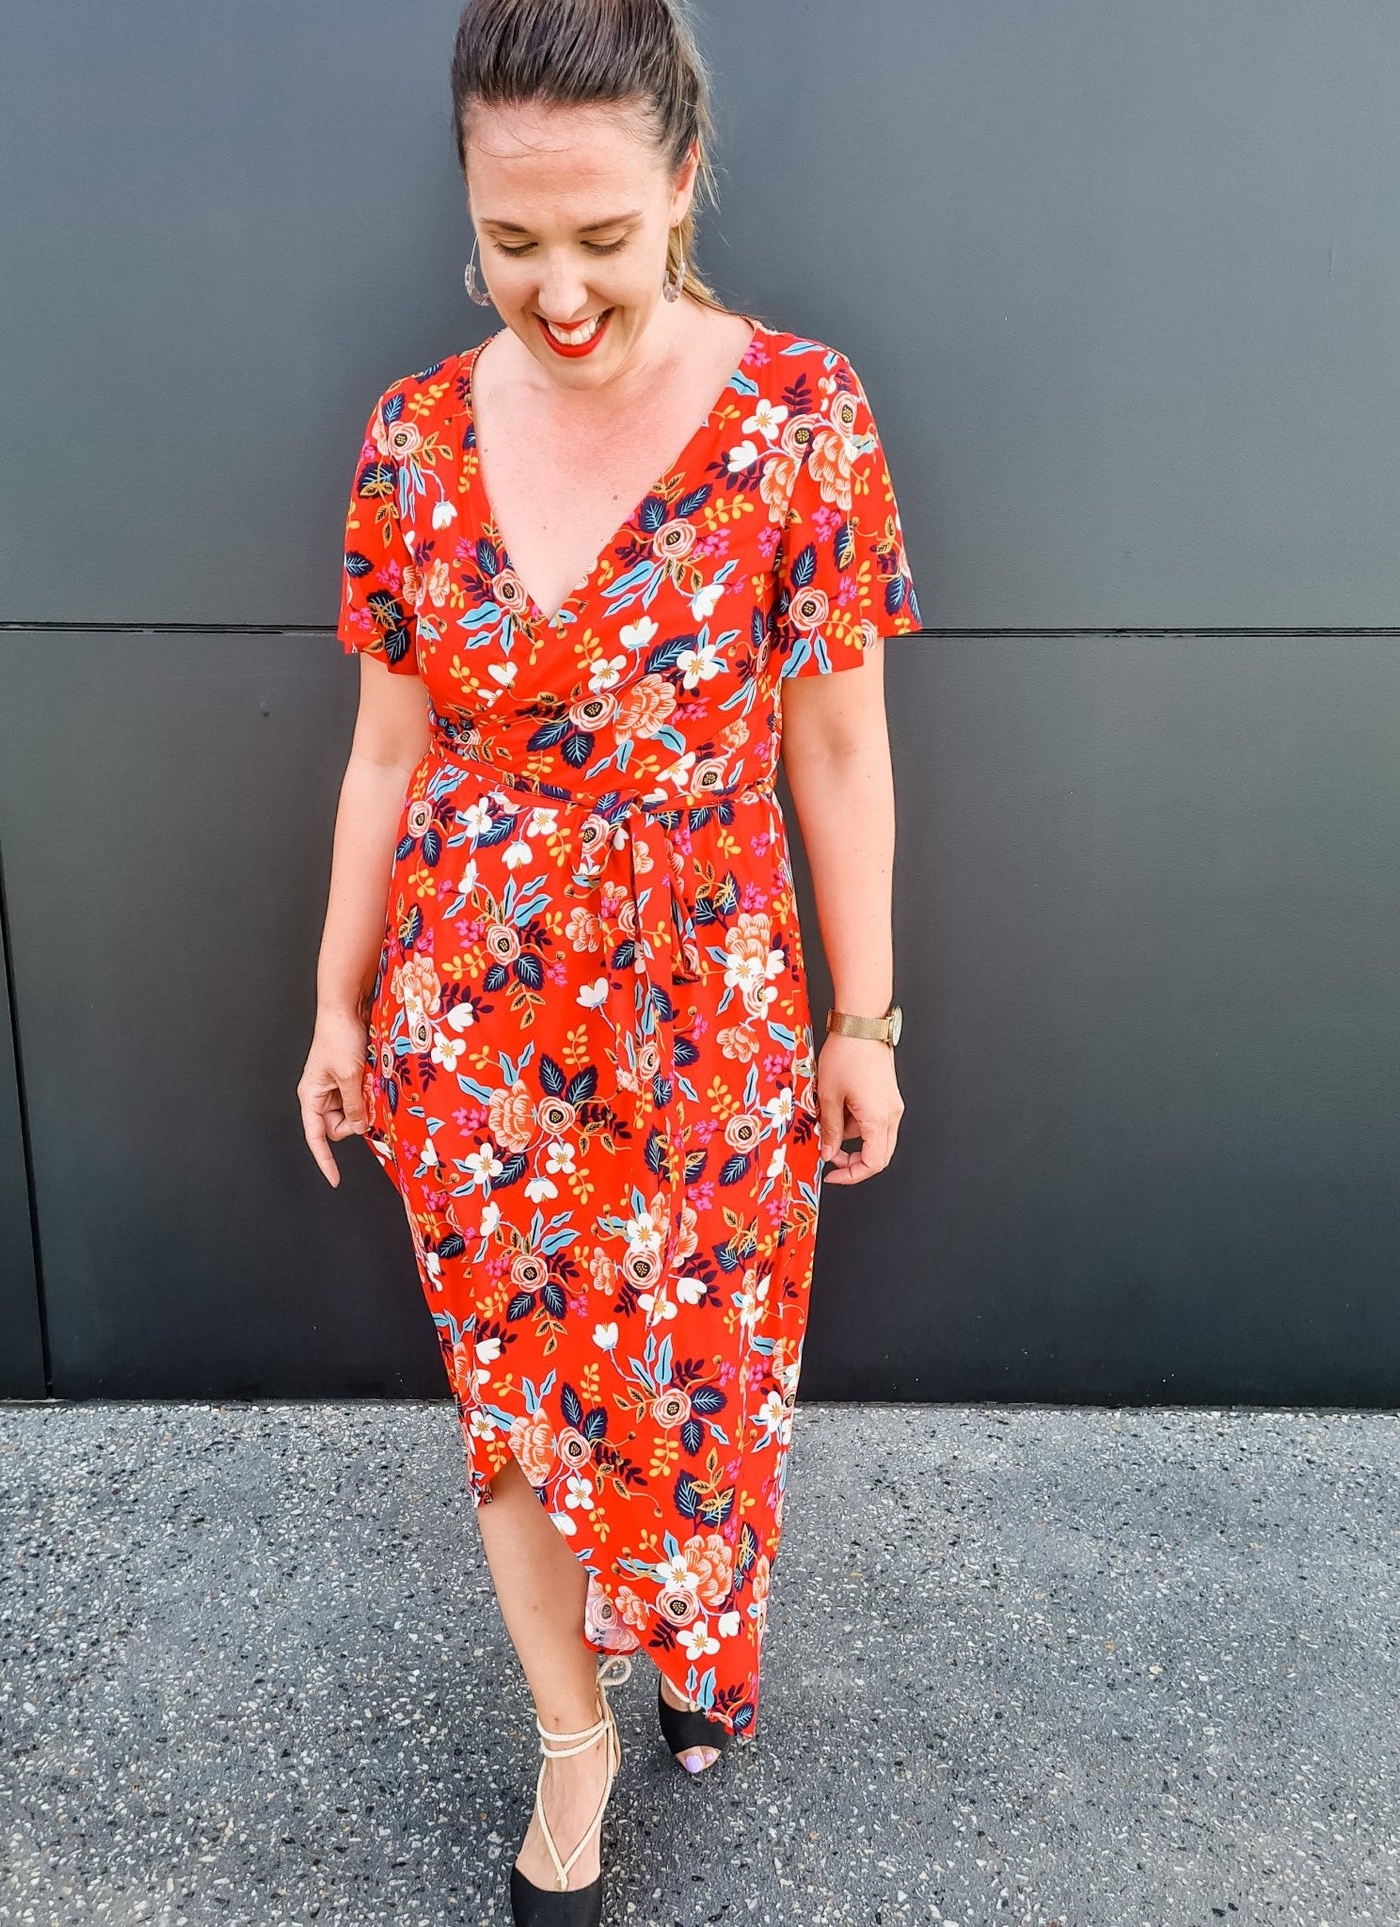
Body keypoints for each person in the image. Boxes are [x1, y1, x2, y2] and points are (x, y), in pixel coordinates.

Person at [297, 0, 922, 1917]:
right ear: (464, 208)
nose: (556, 294)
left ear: (682, 184)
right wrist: (332, 1000)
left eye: (600, 239)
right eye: (510, 241)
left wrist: (865, 1019)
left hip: (705, 1006)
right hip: (471, 1016)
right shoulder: (413, 436)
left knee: (694, 1388)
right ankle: (571, 1743)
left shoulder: (800, 417)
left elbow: (837, 749)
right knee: (513, 1403)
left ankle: (690, 1631)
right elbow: (387, 752)